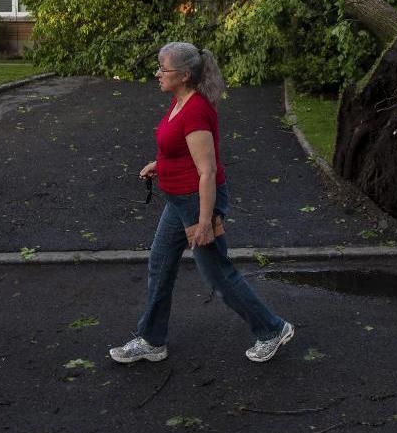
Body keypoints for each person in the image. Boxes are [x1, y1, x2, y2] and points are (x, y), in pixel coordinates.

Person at [109, 42, 294, 364]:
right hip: (179, 202)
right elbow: (179, 148)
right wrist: (160, 164)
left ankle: (272, 329)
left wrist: (206, 221)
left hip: (197, 203)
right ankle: (152, 341)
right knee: (160, 263)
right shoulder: (180, 102)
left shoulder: (194, 110)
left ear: (183, 75)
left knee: (217, 274)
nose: (157, 74)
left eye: (162, 69)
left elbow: (207, 171)